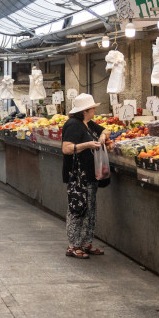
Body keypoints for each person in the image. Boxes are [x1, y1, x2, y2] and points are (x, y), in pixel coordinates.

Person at [61, 93, 111, 259]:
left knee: (90, 209)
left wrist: (102, 137)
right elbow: (66, 148)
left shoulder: (87, 124)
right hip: (78, 176)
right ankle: (73, 246)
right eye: (92, 108)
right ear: (84, 111)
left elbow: (106, 130)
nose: (95, 110)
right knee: (78, 209)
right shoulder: (73, 125)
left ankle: (86, 243)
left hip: (90, 175)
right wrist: (88, 144)